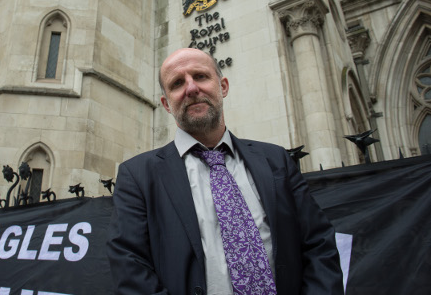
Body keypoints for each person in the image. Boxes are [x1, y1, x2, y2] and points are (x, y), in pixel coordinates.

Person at [107, 48, 343, 295]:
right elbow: (130, 266)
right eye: (177, 83)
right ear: (166, 103)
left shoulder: (276, 160)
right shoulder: (138, 176)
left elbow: (318, 244)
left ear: (223, 86)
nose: (191, 88)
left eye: (200, 76)